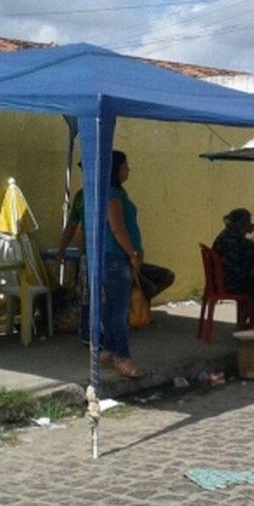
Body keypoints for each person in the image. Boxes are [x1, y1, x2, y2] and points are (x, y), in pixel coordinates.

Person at [100, 150, 147, 378]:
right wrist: (132, 254)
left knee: (112, 309)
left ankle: (108, 351)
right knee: (119, 311)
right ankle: (122, 356)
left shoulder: (118, 192)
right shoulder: (112, 195)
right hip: (116, 258)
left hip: (114, 257)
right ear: (116, 170)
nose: (128, 170)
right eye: (125, 166)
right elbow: (118, 228)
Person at [212, 208, 254, 296]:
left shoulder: (223, 236)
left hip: (219, 283)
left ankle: (247, 309)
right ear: (245, 225)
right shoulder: (241, 242)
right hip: (235, 284)